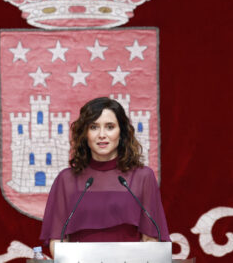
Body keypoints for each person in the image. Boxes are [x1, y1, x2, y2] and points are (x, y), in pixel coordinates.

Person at [39, 97, 170, 256]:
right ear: (84, 134)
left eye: (110, 127)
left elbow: (151, 241)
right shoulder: (67, 180)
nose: (102, 135)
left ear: (121, 132)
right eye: (94, 127)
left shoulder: (142, 177)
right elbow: (57, 242)